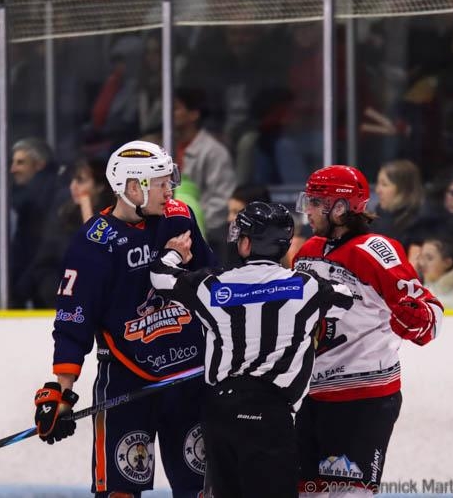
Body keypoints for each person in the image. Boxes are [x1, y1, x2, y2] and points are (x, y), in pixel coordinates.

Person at [33, 141, 216, 498]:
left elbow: (210, 280)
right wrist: (62, 392)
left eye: (169, 181)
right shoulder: (93, 245)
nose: (170, 191)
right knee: (118, 492)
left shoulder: (178, 216)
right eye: (160, 183)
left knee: (201, 489)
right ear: (133, 188)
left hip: (189, 379)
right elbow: (73, 322)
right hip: (126, 381)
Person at [148, 201, 353, 498]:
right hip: (272, 414)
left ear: (246, 243)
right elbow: (345, 299)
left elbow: (161, 277)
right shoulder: (307, 287)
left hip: (220, 412)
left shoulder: (213, 285)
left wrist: (175, 252)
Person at [293, 165, 443, 496]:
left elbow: (429, 312)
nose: (308, 209)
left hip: (362, 400)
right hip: (311, 397)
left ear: (341, 208)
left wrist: (419, 320)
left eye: (316, 202)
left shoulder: (375, 251)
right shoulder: (306, 252)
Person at [14, 157, 114, 308]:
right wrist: (61, 295)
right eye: (72, 180)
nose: (73, 186)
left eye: (80, 180)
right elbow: (44, 265)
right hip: (66, 306)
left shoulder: (118, 219)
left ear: (100, 186)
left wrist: (87, 208)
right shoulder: (63, 219)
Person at [173, 87, 237, 253]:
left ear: (194, 114)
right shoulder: (165, 147)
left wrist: (191, 226)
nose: (171, 113)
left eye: (177, 108)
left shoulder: (214, 152)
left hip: (206, 239)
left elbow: (221, 201)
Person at [9, 137, 60, 306]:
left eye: (20, 162)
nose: (13, 169)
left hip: (48, 283)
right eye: (13, 162)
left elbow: (41, 246)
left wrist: (21, 287)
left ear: (39, 165)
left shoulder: (42, 198)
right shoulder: (31, 196)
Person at [370, 159, 425, 252]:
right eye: (378, 183)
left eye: (384, 184)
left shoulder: (418, 225)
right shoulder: (376, 217)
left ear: (403, 189)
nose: (377, 190)